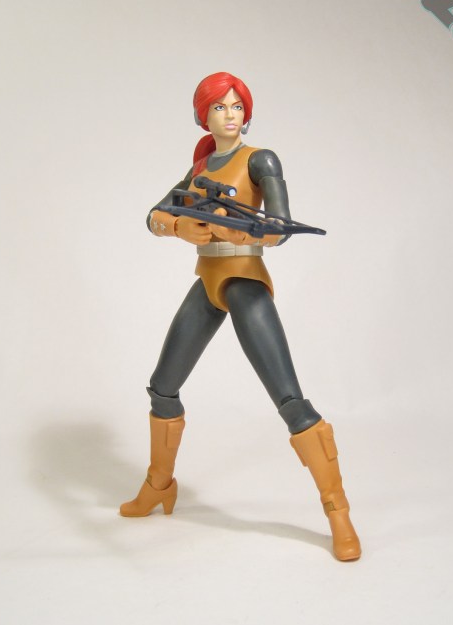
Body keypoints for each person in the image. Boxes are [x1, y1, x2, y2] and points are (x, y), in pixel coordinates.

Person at [119, 72, 361, 561]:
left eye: (235, 106)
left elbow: (280, 227)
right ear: (203, 116)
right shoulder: (200, 167)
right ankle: (159, 485)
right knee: (162, 388)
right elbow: (153, 215)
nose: (229, 115)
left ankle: (338, 511)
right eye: (218, 107)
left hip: (244, 281)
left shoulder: (260, 160)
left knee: (291, 402)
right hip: (208, 281)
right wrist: (180, 226)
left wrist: (249, 233)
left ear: (246, 113)